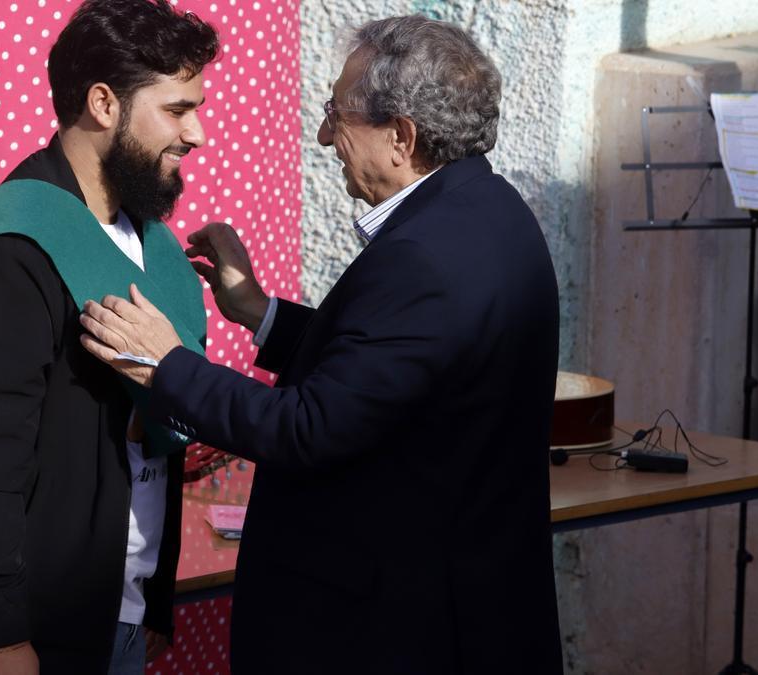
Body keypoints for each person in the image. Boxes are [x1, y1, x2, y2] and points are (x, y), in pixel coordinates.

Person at [80, 14, 564, 675]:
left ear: (401, 137)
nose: (323, 135)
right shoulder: (490, 212)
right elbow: (392, 370)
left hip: (401, 630)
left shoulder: (426, 258)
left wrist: (167, 365)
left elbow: (309, 427)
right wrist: (260, 311)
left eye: (338, 114)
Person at [0, 2, 218, 673]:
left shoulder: (149, 243)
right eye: (177, 108)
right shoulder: (13, 247)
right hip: (28, 629)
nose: (197, 132)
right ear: (103, 103)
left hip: (114, 607)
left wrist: (148, 598)